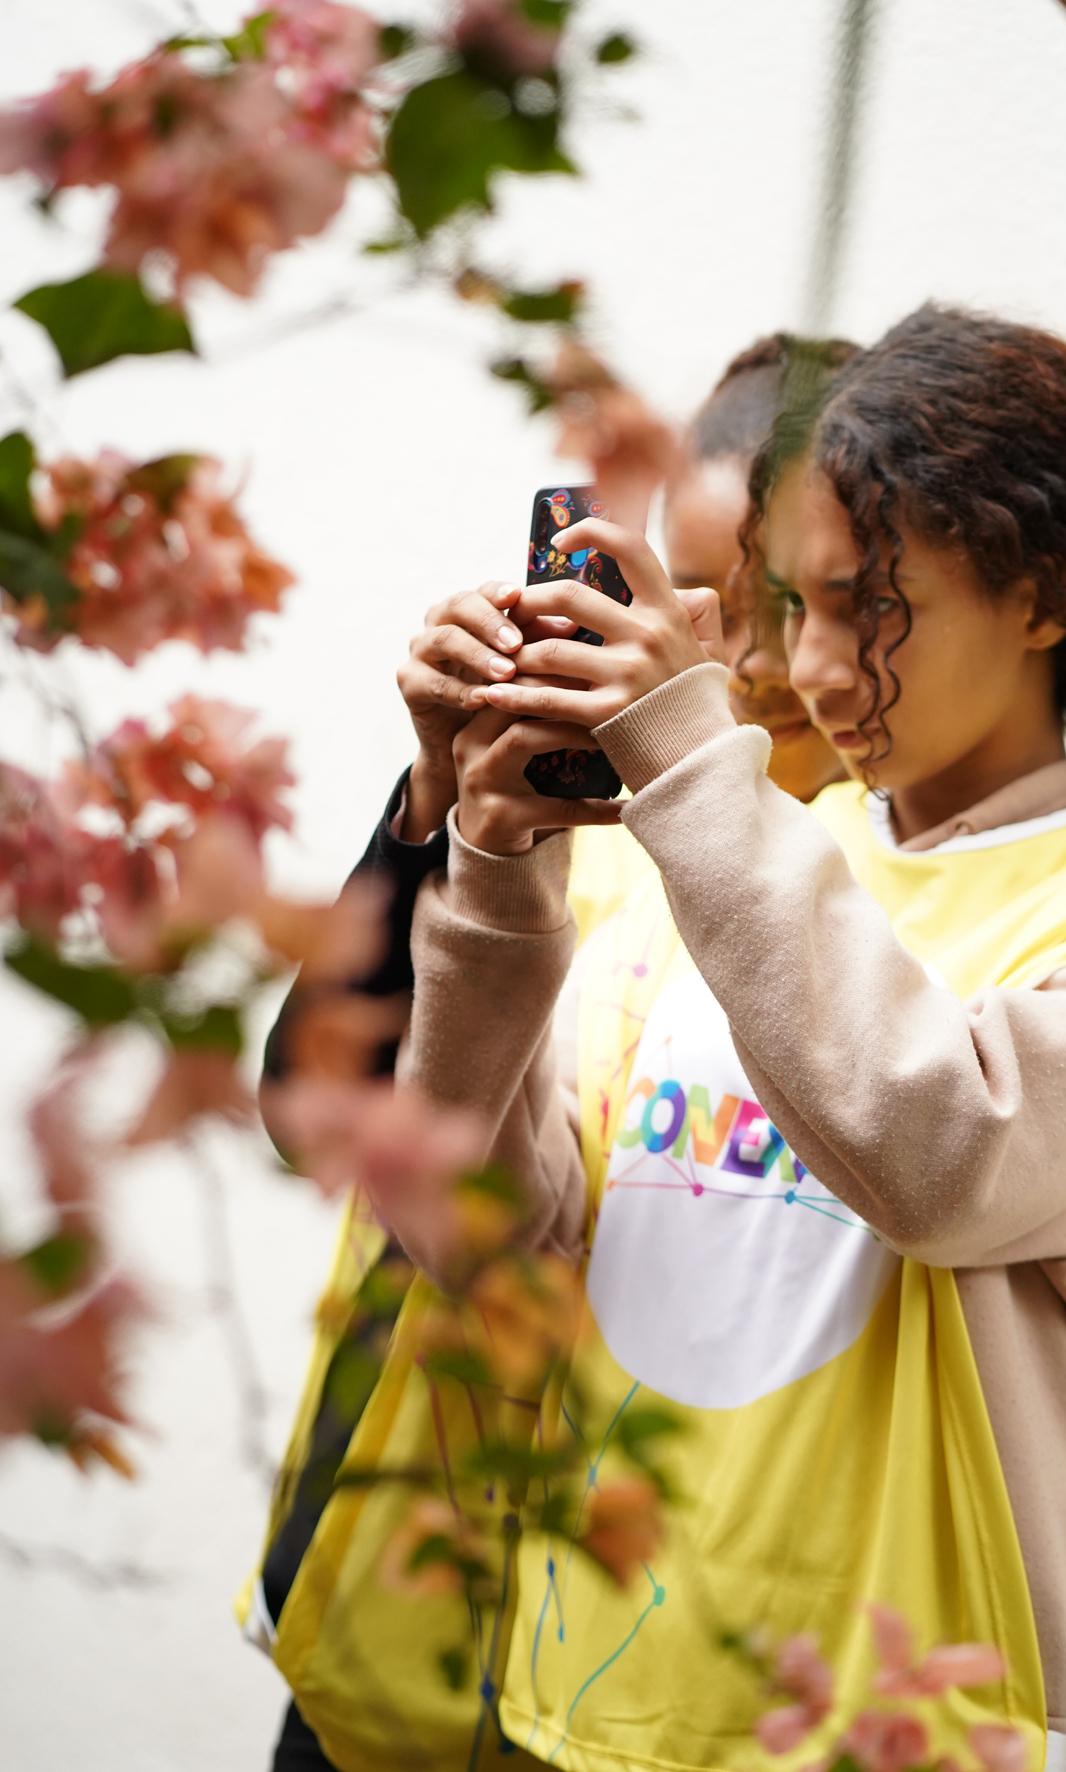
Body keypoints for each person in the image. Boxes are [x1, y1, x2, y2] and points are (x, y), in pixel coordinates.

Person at [388, 304, 1066, 1771]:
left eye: (874, 606)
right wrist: (491, 850)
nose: (816, 669)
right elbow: (486, 1244)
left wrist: (682, 762)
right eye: (790, 607)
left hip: (915, 1737)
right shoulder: (747, 854)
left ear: (1043, 592)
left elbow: (942, 1154)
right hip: (584, 1699)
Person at [245, 335, 852, 1772]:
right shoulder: (559, 815)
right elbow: (315, 1109)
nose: (705, 635)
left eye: (762, 595)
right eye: (670, 579)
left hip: (648, 1667)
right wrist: (436, 795)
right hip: (399, 1615)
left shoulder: (848, 883)